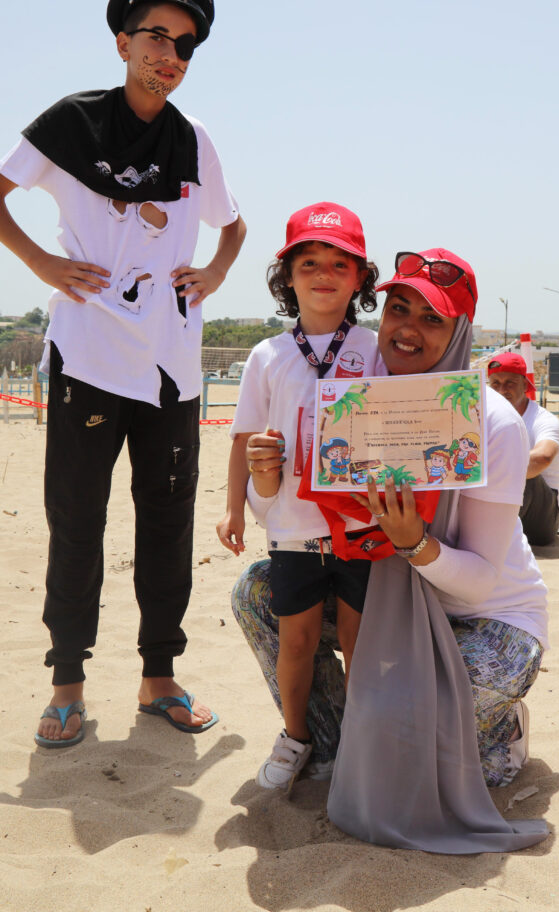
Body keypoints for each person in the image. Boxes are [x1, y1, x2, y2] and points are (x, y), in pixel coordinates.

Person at [0, 0, 246, 747]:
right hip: (89, 357)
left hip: (174, 367)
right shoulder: (71, 123)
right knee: (77, 520)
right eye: (157, 35)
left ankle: (159, 677)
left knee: (166, 520)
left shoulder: (194, 142)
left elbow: (234, 223)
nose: (170, 55)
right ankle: (67, 685)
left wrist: (217, 273)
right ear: (123, 39)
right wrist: (42, 265)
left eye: (185, 45)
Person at [232, 247, 549, 853]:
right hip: (386, 604)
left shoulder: (494, 424)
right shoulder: (358, 399)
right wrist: (265, 477)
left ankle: (499, 736)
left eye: (433, 318)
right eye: (398, 309)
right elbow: (281, 516)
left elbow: (480, 583)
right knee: (258, 592)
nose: (408, 329)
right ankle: (332, 744)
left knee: (421, 743)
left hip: (487, 620)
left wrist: (417, 546)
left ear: (460, 332)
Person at [217, 202, 379, 788]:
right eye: (309, 261)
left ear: (361, 278)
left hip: (363, 525)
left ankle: (363, 742)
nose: (323, 274)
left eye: (340, 263)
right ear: (287, 275)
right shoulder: (267, 355)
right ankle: (297, 735)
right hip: (291, 523)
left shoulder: (374, 347)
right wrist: (234, 508)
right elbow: (242, 440)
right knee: (298, 640)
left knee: (362, 641)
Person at [487, 352, 559, 546]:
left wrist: (489, 465)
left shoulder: (543, 419)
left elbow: (543, 458)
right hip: (502, 505)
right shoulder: (484, 419)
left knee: (523, 469)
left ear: (524, 384)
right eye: (495, 383)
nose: (502, 390)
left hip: (540, 518)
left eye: (510, 383)